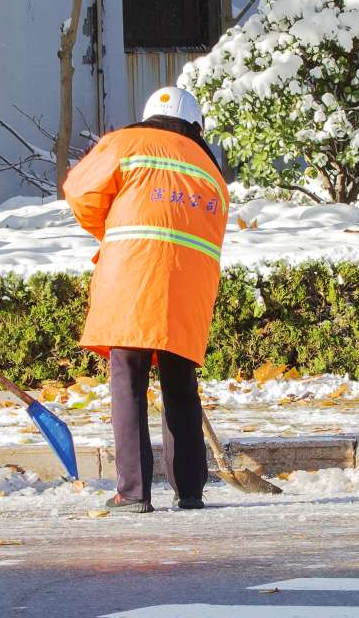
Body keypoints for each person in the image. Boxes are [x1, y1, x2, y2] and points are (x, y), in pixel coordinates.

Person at [62, 86, 227, 513]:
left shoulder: (125, 142)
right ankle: (190, 490)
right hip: (190, 285)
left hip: (134, 274)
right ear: (195, 125)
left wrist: (112, 229)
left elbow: (79, 190)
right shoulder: (210, 169)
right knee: (180, 384)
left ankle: (133, 491)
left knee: (128, 378)